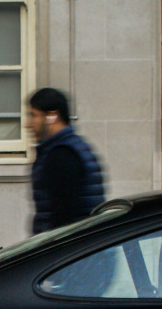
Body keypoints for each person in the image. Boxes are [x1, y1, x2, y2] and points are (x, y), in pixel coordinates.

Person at [25, 87, 105, 234]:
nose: (29, 124)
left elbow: (63, 219)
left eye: (34, 116)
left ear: (52, 116)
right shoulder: (73, 146)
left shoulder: (61, 154)